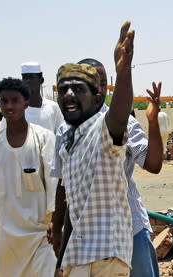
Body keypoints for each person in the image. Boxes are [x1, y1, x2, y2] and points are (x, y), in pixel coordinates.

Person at [50, 57, 163, 276]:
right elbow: (65, 188)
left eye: (103, 82)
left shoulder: (120, 122)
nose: (100, 88)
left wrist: (153, 121)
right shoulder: (65, 132)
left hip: (129, 228)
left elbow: (153, 164)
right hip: (86, 237)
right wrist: (57, 227)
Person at [52, 21, 136, 276]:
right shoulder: (70, 143)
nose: (68, 94)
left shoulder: (102, 129)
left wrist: (123, 72)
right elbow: (73, 213)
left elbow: (119, 115)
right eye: (63, 89)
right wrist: (60, 265)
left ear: (97, 98)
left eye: (77, 89)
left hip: (104, 259)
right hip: (79, 258)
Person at [0, 77, 57, 276]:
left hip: (40, 232)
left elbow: (53, 182)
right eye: (4, 101)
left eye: (14, 100)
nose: (9, 106)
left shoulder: (44, 139)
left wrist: (54, 219)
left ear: (26, 103)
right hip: (8, 237)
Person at [0, 62, 64, 134]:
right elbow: (3, 137)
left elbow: (62, 135)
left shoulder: (53, 108)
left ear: (41, 80)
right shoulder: (15, 110)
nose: (27, 81)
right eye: (25, 78)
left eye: (31, 77)